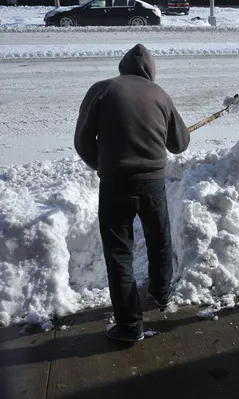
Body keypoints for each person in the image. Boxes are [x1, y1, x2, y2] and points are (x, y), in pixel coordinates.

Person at [74, 43, 190, 343]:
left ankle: (129, 326)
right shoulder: (160, 95)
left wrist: (101, 163)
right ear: (151, 71)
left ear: (123, 67)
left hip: (115, 185)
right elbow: (179, 144)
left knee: (119, 253)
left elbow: (83, 141)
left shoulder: (102, 90)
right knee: (158, 238)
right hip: (152, 184)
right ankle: (162, 294)